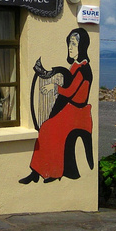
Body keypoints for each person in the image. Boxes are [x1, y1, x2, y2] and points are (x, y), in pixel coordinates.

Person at [20, 27, 94, 183]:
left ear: (82, 46)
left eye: (73, 44)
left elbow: (70, 91)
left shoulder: (84, 69)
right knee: (47, 128)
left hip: (78, 112)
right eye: (69, 43)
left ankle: (54, 172)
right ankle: (37, 172)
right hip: (70, 110)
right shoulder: (75, 66)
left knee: (49, 129)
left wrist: (54, 87)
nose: (70, 47)